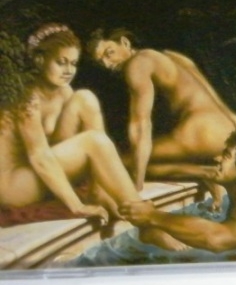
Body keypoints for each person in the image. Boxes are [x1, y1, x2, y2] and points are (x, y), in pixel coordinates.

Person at [0, 24, 145, 225]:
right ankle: (144, 217)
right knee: (93, 141)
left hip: (40, 172)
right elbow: (38, 156)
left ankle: (98, 190)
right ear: (40, 60)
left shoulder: (64, 91)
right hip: (13, 186)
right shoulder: (27, 97)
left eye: (73, 63)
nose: (69, 71)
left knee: (85, 97)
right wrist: (77, 206)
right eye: (61, 63)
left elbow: (58, 147)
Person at [87, 28, 236, 195]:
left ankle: (206, 173)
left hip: (204, 132)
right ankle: (205, 172)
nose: (107, 64)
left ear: (125, 42)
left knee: (117, 163)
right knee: (140, 159)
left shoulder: (137, 64)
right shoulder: (172, 56)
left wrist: (137, 184)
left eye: (109, 53)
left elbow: (141, 126)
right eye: (100, 61)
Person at [120, 128, 236, 254]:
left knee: (155, 236)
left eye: (226, 156)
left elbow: (215, 240)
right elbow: (172, 170)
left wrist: (153, 216)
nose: (217, 159)